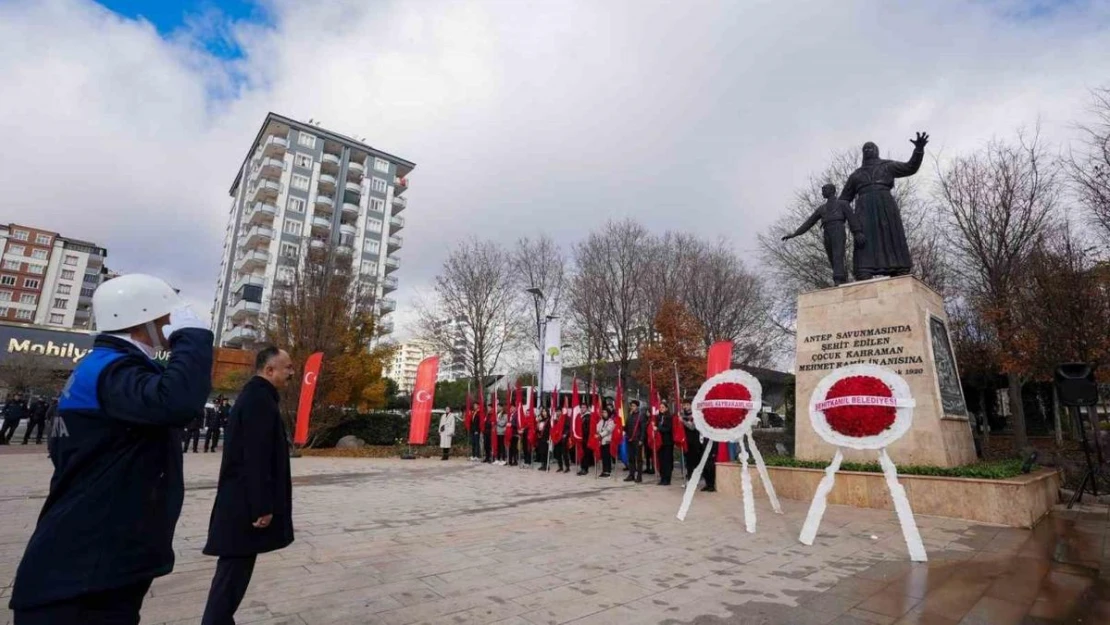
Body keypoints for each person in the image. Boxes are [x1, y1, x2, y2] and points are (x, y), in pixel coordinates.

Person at [9, 273, 212, 624]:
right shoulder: (113, 371)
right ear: (142, 319)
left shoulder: (106, 369)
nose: (169, 326)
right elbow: (177, 402)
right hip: (84, 574)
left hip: (93, 561)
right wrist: (192, 339)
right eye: (165, 319)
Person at [201, 346, 295, 625]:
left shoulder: (259, 397)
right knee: (231, 576)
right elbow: (255, 457)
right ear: (269, 370)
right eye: (287, 367)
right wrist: (261, 506)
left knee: (233, 574)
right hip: (244, 507)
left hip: (241, 503)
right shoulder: (258, 401)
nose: (291, 372)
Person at [781, 183, 865, 286]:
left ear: (831, 190)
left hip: (838, 228)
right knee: (831, 256)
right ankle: (840, 277)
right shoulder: (822, 208)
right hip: (827, 231)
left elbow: (852, 219)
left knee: (837, 254)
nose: (822, 192)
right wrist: (794, 234)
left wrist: (857, 232)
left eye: (824, 190)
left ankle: (838, 278)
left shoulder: (842, 204)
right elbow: (809, 222)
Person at [623, 400, 646, 483]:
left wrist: (641, 439)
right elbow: (626, 426)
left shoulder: (641, 416)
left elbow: (643, 429)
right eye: (631, 406)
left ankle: (639, 476)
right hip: (630, 439)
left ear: (637, 407)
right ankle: (631, 474)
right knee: (631, 458)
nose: (632, 407)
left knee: (639, 459)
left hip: (637, 439)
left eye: (633, 406)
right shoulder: (629, 415)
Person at [680, 399, 702, 483]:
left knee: (695, 458)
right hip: (686, 440)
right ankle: (689, 473)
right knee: (688, 458)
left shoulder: (695, 414)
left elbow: (692, 427)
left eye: (687, 405)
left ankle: (697, 474)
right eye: (684, 405)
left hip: (694, 440)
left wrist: (683, 421)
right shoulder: (683, 415)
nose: (685, 407)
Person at [656, 400, 675, 486]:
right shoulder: (658, 417)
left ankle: (667, 479)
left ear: (667, 408)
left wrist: (658, 429)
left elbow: (668, 429)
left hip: (668, 442)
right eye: (660, 407)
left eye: (663, 407)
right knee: (661, 461)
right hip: (660, 442)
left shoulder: (669, 417)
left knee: (667, 461)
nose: (661, 409)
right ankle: (662, 478)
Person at [597, 406, 615, 478]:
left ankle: (608, 472)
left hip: (607, 441)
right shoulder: (601, 421)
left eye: (605, 412)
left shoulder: (611, 421)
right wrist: (599, 432)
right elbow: (597, 428)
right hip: (601, 441)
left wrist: (601, 434)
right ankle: (604, 471)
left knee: (607, 457)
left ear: (608, 413)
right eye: (603, 412)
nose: (603, 414)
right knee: (603, 457)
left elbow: (608, 430)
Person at [576, 406, 594, 476]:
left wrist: (581, 433)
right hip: (581, 438)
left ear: (586, 408)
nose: (582, 409)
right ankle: (582, 468)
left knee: (585, 454)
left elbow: (587, 429)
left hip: (586, 438)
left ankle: (585, 469)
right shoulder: (581, 416)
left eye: (584, 407)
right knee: (582, 454)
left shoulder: (588, 417)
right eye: (581, 407)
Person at [552, 406, 570, 473]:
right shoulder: (555, 419)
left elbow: (568, 428)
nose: (558, 412)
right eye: (557, 411)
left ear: (561, 411)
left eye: (559, 411)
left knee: (564, 453)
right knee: (558, 453)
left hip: (563, 439)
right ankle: (560, 466)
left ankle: (567, 467)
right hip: (557, 439)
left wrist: (565, 434)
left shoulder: (565, 418)